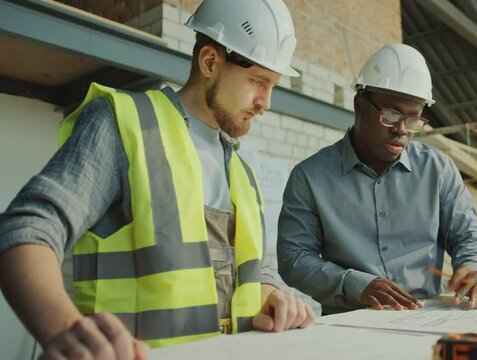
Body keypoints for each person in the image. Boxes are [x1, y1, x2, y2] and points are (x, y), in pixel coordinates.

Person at [0, 0, 314, 358]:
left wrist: (271, 295)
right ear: (210, 62)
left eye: (273, 85)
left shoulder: (243, 174)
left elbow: (252, 267)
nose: (266, 102)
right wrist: (62, 328)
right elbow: (27, 229)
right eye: (259, 81)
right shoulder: (124, 125)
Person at [277, 44, 477, 315]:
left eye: (413, 119)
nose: (402, 130)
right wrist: (355, 284)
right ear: (359, 105)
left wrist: (473, 267)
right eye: (390, 115)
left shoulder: (438, 169)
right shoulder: (309, 177)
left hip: (425, 318)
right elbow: (293, 258)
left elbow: (467, 235)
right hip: (350, 325)